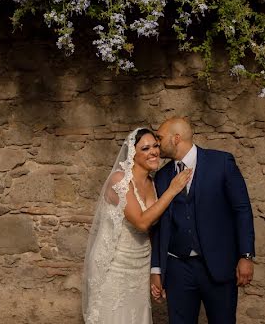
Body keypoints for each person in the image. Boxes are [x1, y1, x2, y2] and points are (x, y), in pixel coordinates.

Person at [150, 116, 256, 323]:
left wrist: (246, 256)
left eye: (160, 138)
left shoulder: (222, 162)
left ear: (176, 138)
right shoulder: (162, 177)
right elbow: (160, 227)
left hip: (218, 265)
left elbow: (242, 210)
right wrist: (157, 269)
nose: (156, 144)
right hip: (177, 268)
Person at [83, 127, 193, 324]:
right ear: (133, 153)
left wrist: (156, 271)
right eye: (145, 148)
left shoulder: (153, 183)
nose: (153, 152)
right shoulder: (120, 180)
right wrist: (173, 190)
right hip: (115, 266)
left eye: (156, 146)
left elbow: (155, 231)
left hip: (141, 265)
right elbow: (142, 222)